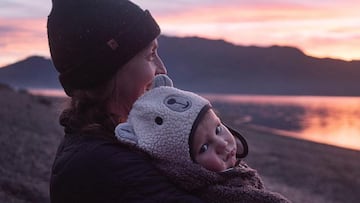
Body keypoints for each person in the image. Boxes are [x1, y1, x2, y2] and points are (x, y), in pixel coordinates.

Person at [47, 0, 205, 202]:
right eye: (150, 55)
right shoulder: (103, 167)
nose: (162, 70)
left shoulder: (109, 144)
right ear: (110, 71)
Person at [115, 75, 291, 203]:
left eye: (218, 128)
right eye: (204, 148)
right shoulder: (221, 194)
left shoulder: (231, 175)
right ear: (184, 166)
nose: (222, 144)